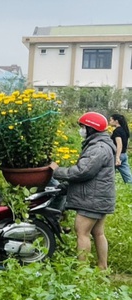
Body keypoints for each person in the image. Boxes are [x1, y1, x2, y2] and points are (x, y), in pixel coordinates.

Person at [50, 112, 116, 270]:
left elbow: (82, 171)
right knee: (98, 233)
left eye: (83, 127)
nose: (82, 130)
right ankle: (102, 267)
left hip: (92, 198)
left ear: (91, 129)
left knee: (82, 232)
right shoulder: (100, 144)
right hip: (99, 196)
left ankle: (82, 271)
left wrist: (57, 171)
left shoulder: (98, 148)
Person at [110, 113, 131, 183]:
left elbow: (119, 144)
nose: (110, 122)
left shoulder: (117, 131)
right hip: (124, 154)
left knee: (108, 172)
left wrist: (117, 157)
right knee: (127, 174)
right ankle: (130, 186)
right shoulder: (125, 130)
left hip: (117, 155)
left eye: (111, 120)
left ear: (116, 121)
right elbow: (126, 143)